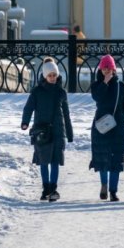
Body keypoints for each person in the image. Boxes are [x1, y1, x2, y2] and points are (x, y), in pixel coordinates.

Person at [21, 59, 74, 201]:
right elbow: (29, 107)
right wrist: (25, 122)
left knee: (55, 161)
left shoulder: (61, 92)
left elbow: (66, 114)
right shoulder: (37, 91)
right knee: (44, 161)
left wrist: (69, 133)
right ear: (45, 76)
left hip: (57, 131)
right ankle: (45, 189)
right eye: (49, 75)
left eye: (54, 75)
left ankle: (53, 189)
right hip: (42, 131)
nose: (52, 78)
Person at [90, 54, 124, 202]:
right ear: (101, 70)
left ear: (114, 69)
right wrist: (105, 83)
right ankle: (103, 185)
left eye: (109, 68)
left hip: (118, 127)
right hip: (101, 126)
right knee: (102, 158)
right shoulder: (96, 85)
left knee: (116, 160)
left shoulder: (121, 86)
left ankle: (113, 191)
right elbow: (97, 98)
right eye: (104, 68)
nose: (106, 71)